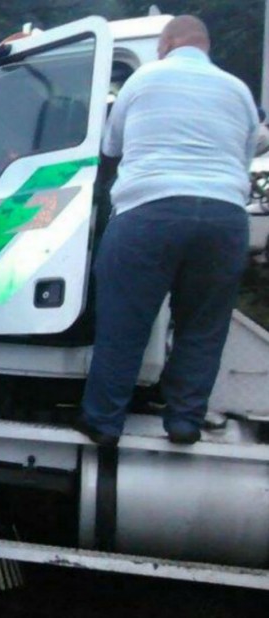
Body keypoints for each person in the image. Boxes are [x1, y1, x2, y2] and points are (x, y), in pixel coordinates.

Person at [77, 16, 258, 447]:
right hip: (225, 217)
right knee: (202, 325)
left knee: (125, 321)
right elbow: (244, 155)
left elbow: (111, 147)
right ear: (204, 45)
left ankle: (104, 422)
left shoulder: (143, 79)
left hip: (149, 211)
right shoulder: (238, 91)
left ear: (168, 42)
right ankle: (183, 421)